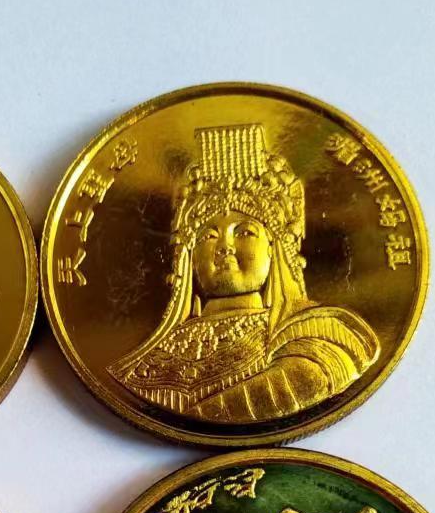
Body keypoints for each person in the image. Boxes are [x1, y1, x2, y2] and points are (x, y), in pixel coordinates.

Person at [108, 124, 379, 422]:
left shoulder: (315, 339)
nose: (225, 246)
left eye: (245, 232)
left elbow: (307, 381)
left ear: (275, 248)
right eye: (208, 235)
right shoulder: (145, 362)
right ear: (189, 257)